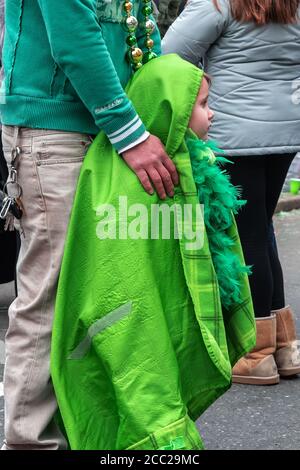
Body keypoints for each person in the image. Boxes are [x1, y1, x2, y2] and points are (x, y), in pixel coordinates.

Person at [0, 0, 181, 450]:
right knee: (53, 295)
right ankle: (30, 443)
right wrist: (132, 132)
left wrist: (162, 111)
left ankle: (93, 434)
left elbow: (141, 28)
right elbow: (73, 39)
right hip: (59, 134)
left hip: (106, 132)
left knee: (109, 291)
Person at [50, 54, 255, 450]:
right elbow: (120, 274)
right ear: (170, 108)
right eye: (201, 105)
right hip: (130, 325)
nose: (211, 115)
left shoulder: (189, 170)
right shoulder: (129, 184)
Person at [163, 0, 300, 385]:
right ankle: (284, 344)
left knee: (248, 235)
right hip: (286, 130)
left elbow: (171, 53)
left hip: (233, 133)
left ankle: (255, 353)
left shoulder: (219, 4)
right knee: (262, 228)